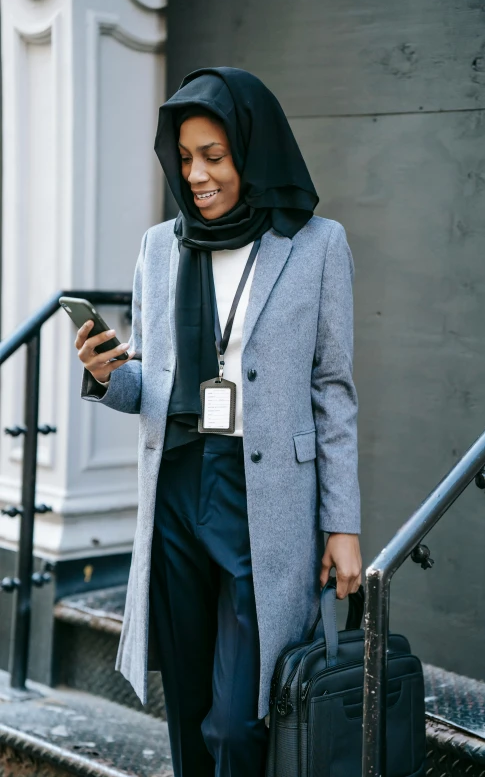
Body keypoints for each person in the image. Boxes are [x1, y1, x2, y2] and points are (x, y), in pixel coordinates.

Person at [76, 67, 362, 777]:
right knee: (189, 700)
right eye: (185, 158)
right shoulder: (159, 247)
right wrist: (107, 375)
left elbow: (332, 388)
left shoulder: (318, 245)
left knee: (238, 722)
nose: (197, 175)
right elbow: (155, 384)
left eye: (214, 156)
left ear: (251, 149)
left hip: (260, 499)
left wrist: (344, 523)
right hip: (176, 485)